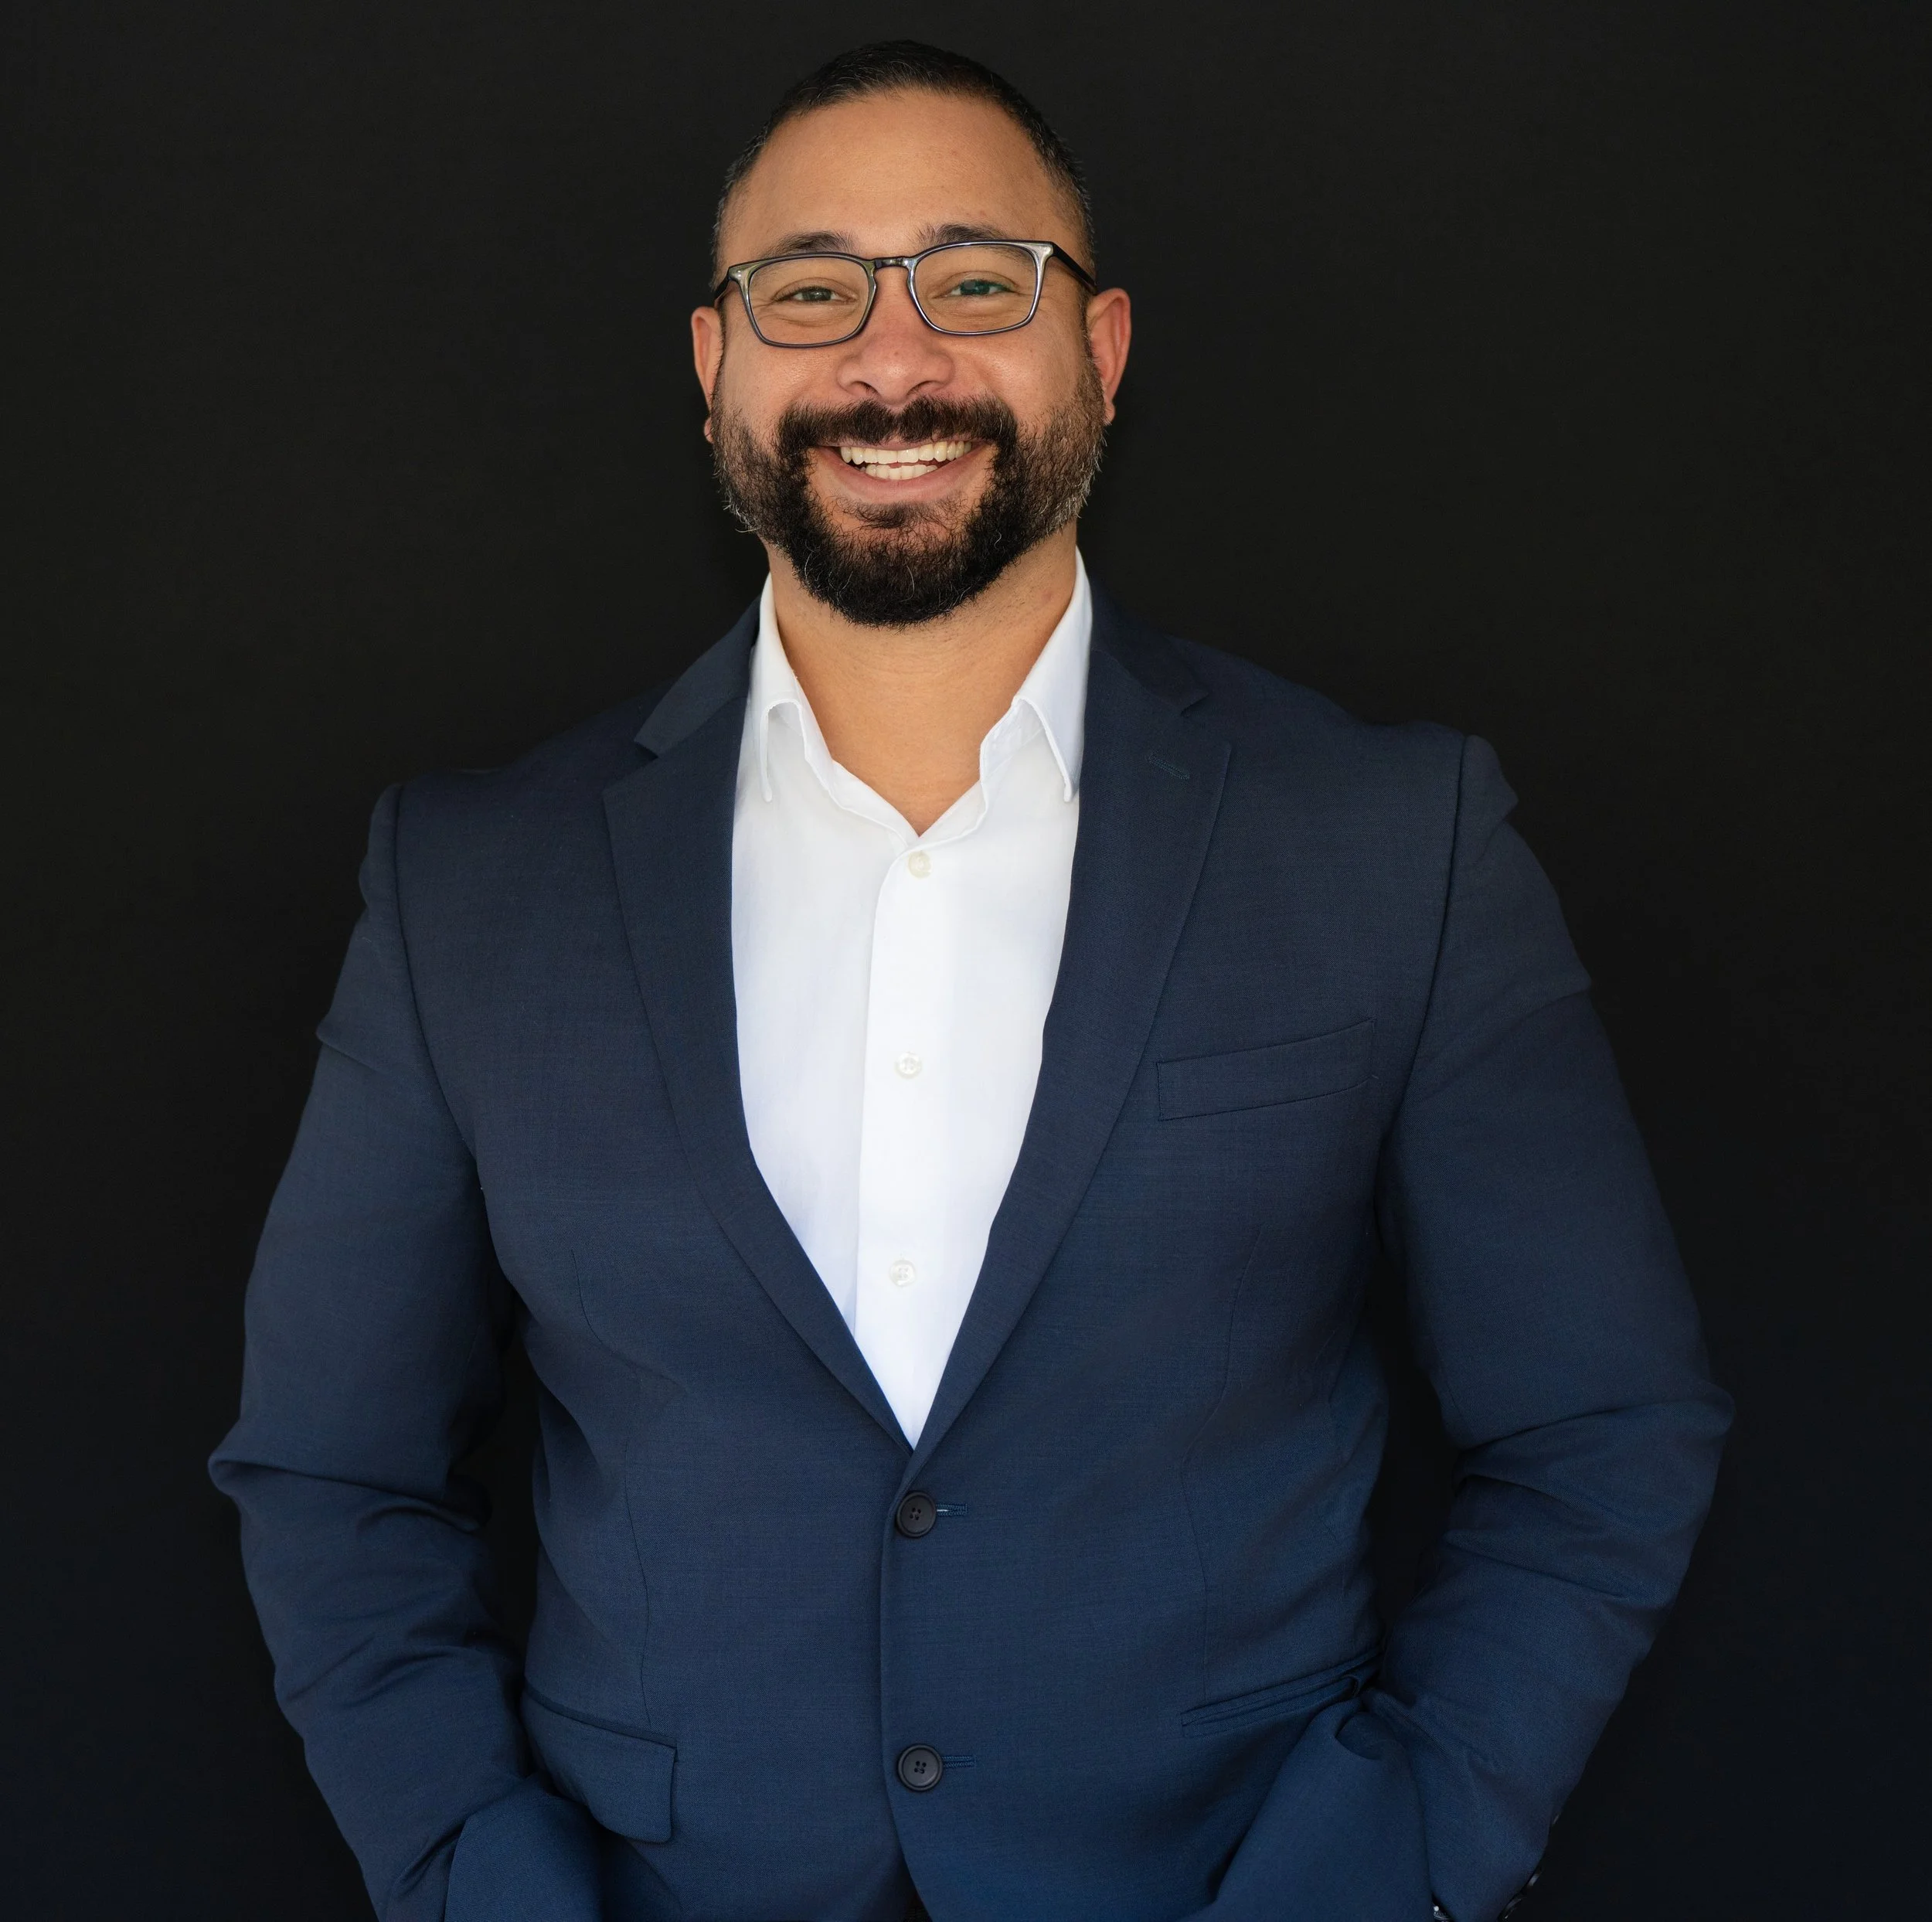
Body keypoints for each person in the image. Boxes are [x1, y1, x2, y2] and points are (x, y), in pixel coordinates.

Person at [212, 41, 1730, 1922]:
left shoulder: (1388, 842)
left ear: (1098, 348)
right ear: (714, 365)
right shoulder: (468, 886)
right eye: (812, 290)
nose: (892, 358)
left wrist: (1380, 1870)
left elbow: (1595, 1433)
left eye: (974, 281)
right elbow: (334, 1473)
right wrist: (479, 1882)